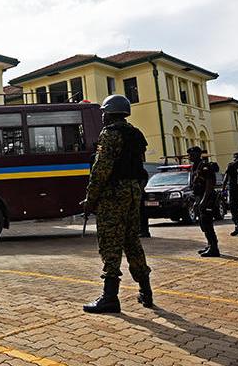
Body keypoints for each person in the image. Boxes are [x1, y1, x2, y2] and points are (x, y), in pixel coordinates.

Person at [83, 94, 152, 314]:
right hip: (133, 193)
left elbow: (100, 171)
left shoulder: (110, 134)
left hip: (113, 195)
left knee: (111, 243)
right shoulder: (136, 134)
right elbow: (141, 170)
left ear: (111, 113)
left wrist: (90, 199)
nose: (102, 116)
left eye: (104, 112)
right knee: (132, 241)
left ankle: (110, 297)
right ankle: (145, 290)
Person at [189, 146, 220, 257]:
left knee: (207, 223)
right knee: (203, 223)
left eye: (192, 154)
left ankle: (214, 248)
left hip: (206, 198)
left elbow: (209, 184)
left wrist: (204, 200)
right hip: (198, 197)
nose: (190, 157)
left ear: (198, 154)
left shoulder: (205, 166)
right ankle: (210, 245)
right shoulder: (194, 166)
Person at [223, 152, 238, 236]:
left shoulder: (231, 165)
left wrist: (223, 190)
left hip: (233, 190)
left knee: (234, 209)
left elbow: (225, 178)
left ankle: (237, 225)